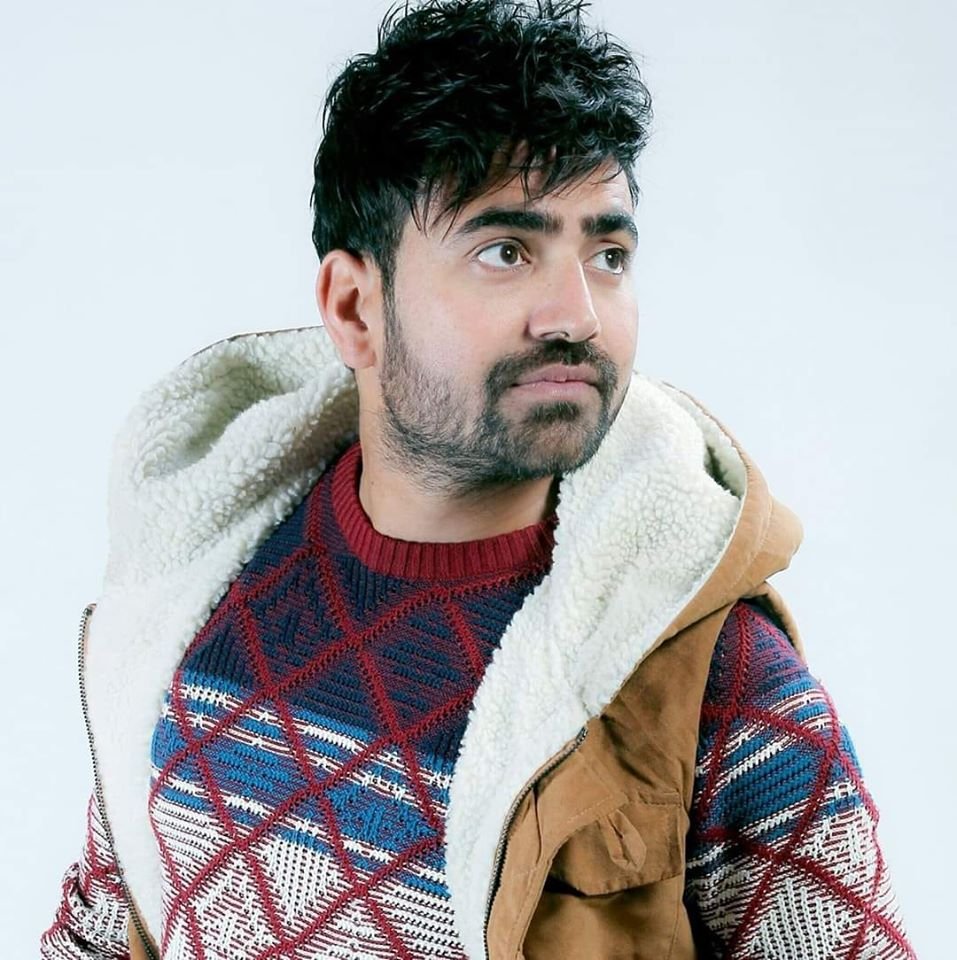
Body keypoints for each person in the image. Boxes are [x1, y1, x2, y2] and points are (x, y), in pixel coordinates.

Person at [41, 1, 916, 958]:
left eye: (608, 256)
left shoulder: (717, 688)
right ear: (354, 308)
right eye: (506, 251)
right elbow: (98, 928)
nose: (576, 314)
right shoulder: (194, 593)